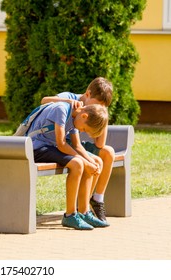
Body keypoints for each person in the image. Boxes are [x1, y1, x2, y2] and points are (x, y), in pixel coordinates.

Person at [41, 77, 114, 224]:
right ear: (87, 94)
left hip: (75, 144)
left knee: (106, 153)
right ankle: (81, 209)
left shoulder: (92, 114)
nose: (100, 108)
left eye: (103, 106)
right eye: (98, 104)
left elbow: (100, 144)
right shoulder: (70, 99)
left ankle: (96, 200)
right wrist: (69, 103)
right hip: (60, 144)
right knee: (91, 162)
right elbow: (44, 101)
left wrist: (103, 115)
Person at [29, 102, 109, 230]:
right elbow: (61, 144)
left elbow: (77, 146)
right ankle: (70, 215)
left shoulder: (75, 117)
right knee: (78, 164)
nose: (82, 131)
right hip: (36, 147)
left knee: (96, 161)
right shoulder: (62, 110)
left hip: (49, 147)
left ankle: (84, 212)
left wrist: (90, 161)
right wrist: (85, 162)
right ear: (84, 116)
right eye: (84, 129)